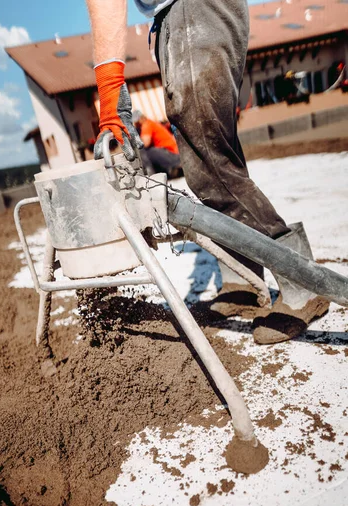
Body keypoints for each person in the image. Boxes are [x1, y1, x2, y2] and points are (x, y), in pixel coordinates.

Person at [86, 0, 329, 344]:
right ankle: (243, 274)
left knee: (207, 160)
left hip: (192, 11)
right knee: (216, 152)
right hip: (178, 17)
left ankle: (301, 282)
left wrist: (109, 90)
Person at [132, 109, 182, 178]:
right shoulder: (152, 123)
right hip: (174, 153)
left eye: (136, 122)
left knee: (146, 151)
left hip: (171, 155)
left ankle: (152, 175)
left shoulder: (146, 125)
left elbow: (145, 143)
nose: (136, 125)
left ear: (141, 119)